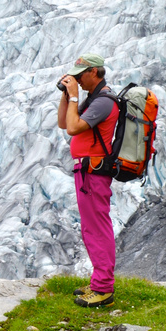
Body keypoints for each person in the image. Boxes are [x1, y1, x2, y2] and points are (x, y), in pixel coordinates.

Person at [57, 53, 118, 308]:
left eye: (81, 75)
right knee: (90, 227)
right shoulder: (93, 99)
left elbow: (73, 128)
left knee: (97, 228)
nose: (78, 80)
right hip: (86, 172)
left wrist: (73, 97)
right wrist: (65, 94)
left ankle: (103, 289)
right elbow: (63, 122)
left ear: (94, 72)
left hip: (93, 172)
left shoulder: (103, 102)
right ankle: (98, 282)